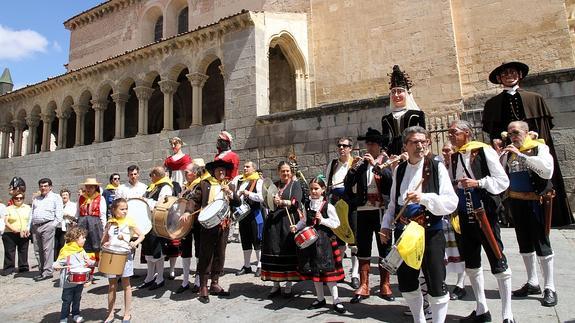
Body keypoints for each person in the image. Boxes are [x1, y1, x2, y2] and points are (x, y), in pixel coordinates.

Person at [380, 126, 458, 323]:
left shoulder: (436, 166)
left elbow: (451, 202)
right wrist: (385, 225)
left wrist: (423, 198)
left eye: (423, 141)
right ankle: (419, 319)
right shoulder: (400, 169)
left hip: (431, 231)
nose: (420, 145)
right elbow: (393, 203)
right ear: (405, 145)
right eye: (415, 142)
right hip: (404, 232)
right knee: (406, 282)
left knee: (436, 282)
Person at [482, 61, 572, 226]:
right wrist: (497, 140)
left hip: (533, 148)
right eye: (505, 74)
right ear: (499, 79)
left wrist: (535, 139)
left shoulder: (534, 98)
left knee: (539, 177)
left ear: (520, 75)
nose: (509, 76)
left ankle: (549, 214)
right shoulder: (492, 104)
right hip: (508, 150)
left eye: (512, 72)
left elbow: (544, 128)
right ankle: (511, 217)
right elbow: (492, 130)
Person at [446, 120, 515, 323]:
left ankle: (507, 314)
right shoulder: (456, 156)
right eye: (449, 132)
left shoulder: (484, 151)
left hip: (486, 215)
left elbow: (502, 181)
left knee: (498, 260)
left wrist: (478, 183)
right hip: (465, 218)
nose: (450, 135)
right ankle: (481, 309)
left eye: (454, 132)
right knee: (472, 264)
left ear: (467, 133)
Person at [502, 120, 558, 307]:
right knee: (524, 243)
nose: (513, 136)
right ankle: (533, 282)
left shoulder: (539, 148)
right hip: (517, 202)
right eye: (510, 133)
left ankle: (550, 286)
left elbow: (547, 171)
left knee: (542, 243)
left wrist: (521, 155)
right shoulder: (509, 152)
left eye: (516, 132)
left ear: (526, 132)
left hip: (535, 202)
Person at [345, 128, 395, 304]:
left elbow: (390, 181)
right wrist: (352, 170)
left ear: (379, 145)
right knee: (363, 247)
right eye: (367, 143)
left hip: (381, 211)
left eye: (372, 143)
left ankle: (385, 284)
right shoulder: (361, 164)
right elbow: (348, 185)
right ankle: (364, 285)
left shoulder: (387, 161)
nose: (368, 146)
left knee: (384, 247)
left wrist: (375, 164)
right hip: (363, 211)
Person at [292, 176, 346, 313]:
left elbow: (336, 223)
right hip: (311, 242)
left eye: (316, 188)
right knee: (315, 271)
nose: (313, 191)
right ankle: (320, 298)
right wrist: (296, 226)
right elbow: (304, 221)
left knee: (329, 274)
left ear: (323, 189)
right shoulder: (307, 204)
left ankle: (336, 300)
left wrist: (322, 220)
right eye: (311, 189)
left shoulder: (328, 206)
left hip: (325, 242)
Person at [261, 161, 303, 297]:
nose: (285, 173)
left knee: (287, 250)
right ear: (278, 172)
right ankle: (275, 284)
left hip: (288, 221)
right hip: (273, 223)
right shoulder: (274, 185)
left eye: (287, 171)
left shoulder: (295, 185)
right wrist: (270, 200)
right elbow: (266, 202)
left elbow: (297, 201)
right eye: (283, 171)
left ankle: (289, 285)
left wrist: (284, 202)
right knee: (273, 250)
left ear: (291, 172)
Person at [196, 159, 235, 303]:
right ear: (213, 172)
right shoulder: (205, 184)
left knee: (220, 254)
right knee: (206, 255)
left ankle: (214, 283)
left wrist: (230, 193)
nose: (221, 172)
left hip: (223, 225)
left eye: (223, 171)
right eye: (219, 170)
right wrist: (188, 211)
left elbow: (237, 202)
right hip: (208, 226)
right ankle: (203, 287)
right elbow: (194, 200)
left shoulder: (229, 185)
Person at [102, 198, 145, 323]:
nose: (125, 211)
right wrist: (105, 244)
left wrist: (134, 242)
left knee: (126, 285)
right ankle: (110, 314)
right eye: (122, 209)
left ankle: (127, 313)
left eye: (126, 209)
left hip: (125, 256)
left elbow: (142, 235)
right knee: (112, 286)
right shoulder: (110, 223)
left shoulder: (129, 221)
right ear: (114, 210)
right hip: (111, 255)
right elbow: (103, 240)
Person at [325, 137, 359, 288]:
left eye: (345, 146)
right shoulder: (332, 164)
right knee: (338, 239)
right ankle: (339, 271)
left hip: (350, 204)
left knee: (353, 240)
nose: (341, 148)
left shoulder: (355, 163)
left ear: (350, 148)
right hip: (335, 204)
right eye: (339, 145)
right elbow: (327, 184)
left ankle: (355, 274)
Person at [175, 159, 208, 294]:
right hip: (185, 223)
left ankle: (198, 280)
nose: (184, 173)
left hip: (197, 222)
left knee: (199, 251)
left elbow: (195, 202)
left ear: (194, 173)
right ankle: (185, 280)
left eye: (187, 171)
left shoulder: (200, 184)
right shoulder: (186, 186)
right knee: (185, 251)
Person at [138, 166, 173, 290]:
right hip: (148, 222)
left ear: (155, 175)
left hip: (157, 223)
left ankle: (160, 279)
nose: (150, 178)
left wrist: (145, 200)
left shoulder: (166, 187)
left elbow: (162, 205)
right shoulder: (153, 186)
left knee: (158, 252)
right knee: (148, 251)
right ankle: (149, 277)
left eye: (151, 175)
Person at [440, 142, 467, 301]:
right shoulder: (441, 165)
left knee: (460, 248)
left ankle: (461, 283)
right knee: (445, 250)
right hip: (445, 214)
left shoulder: (459, 164)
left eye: (448, 150)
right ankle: (442, 281)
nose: (445, 153)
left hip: (458, 211)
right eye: (443, 150)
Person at [381, 65, 426, 156]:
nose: (396, 95)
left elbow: (423, 134)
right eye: (393, 92)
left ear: (406, 93)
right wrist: (383, 151)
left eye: (399, 91)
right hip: (393, 150)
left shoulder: (417, 114)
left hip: (412, 147)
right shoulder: (386, 118)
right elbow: (385, 138)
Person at [230, 161, 265, 277]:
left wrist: (248, 193)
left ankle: (260, 265)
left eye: (247, 167)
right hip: (242, 214)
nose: (245, 168)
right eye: (244, 166)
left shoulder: (258, 181)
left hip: (255, 214)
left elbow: (261, 197)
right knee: (245, 240)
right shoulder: (239, 180)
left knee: (257, 240)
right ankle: (247, 266)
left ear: (254, 169)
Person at [163, 137, 191, 280]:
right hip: (170, 189)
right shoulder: (168, 160)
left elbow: (188, 174)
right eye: (172, 144)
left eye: (176, 143)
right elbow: (165, 173)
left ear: (181, 144)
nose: (174, 146)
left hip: (181, 189)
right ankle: (171, 267)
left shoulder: (186, 158)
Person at [53, 226, 95, 323]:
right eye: (83, 238)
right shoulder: (66, 251)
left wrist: (95, 262)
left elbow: (88, 260)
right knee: (66, 300)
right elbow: (58, 263)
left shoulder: (81, 250)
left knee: (77, 299)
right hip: (69, 280)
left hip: (79, 280)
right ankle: (64, 317)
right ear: (75, 238)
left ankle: (76, 314)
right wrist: (56, 266)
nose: (85, 239)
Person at [30, 178, 64, 281]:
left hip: (47, 224)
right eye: (41, 186)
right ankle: (42, 270)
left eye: (45, 186)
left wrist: (52, 225)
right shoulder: (37, 199)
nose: (43, 188)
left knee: (47, 250)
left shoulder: (55, 197)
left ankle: (48, 271)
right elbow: (32, 213)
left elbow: (59, 213)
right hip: (36, 226)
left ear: (50, 187)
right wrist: (30, 226)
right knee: (38, 250)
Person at [77, 178, 106, 283]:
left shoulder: (100, 198)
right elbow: (78, 212)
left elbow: (102, 215)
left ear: (95, 188)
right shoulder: (81, 198)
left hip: (95, 225)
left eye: (91, 187)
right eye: (87, 187)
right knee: (84, 249)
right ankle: (87, 275)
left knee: (96, 248)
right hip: (82, 224)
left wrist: (104, 229)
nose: (89, 189)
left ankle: (92, 274)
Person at [2, 192, 31, 275]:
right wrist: (13, 229)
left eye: (21, 198)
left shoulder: (27, 208)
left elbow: (30, 220)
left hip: (24, 233)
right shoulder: (8, 208)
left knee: (23, 250)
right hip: (10, 233)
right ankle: (9, 269)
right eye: (16, 198)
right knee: (9, 252)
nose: (19, 199)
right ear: (13, 199)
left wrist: (28, 230)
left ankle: (23, 267)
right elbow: (6, 221)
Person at [55, 189, 77, 262]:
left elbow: (75, 216)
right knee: (55, 245)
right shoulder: (58, 205)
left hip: (67, 227)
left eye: (66, 195)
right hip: (58, 226)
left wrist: (67, 215)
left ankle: (63, 259)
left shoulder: (73, 205)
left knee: (62, 244)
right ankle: (56, 260)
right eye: (63, 195)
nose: (64, 196)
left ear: (69, 196)